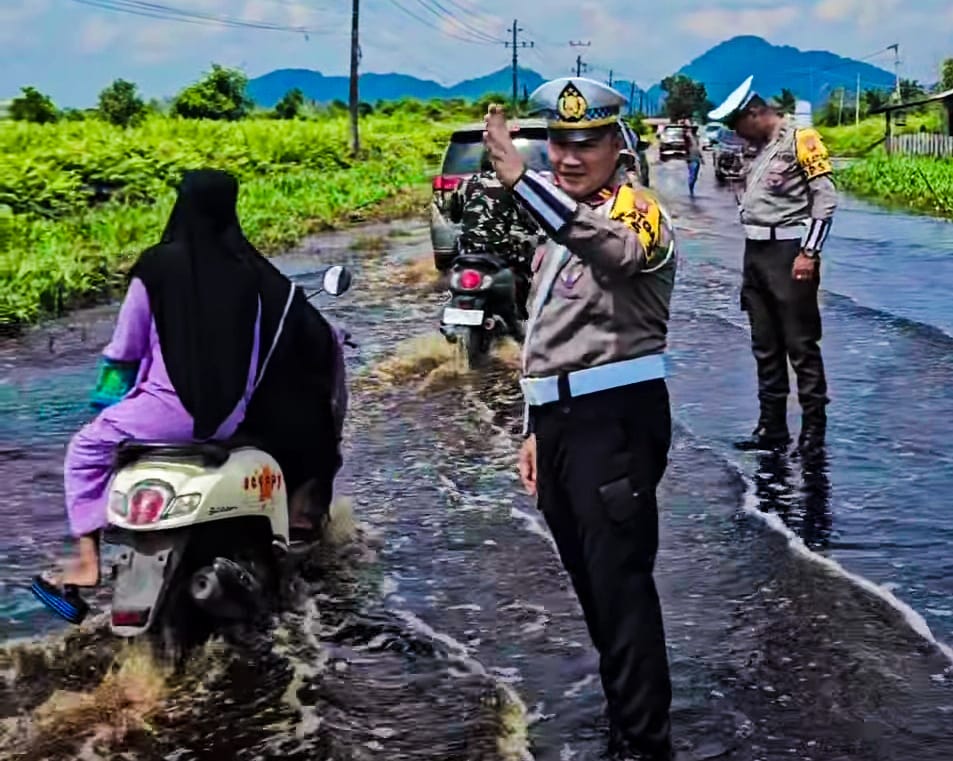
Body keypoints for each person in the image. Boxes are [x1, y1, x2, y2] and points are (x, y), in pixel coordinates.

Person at [484, 78, 678, 761]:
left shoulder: (637, 215)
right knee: (593, 585)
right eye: (558, 142)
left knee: (621, 587)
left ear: (617, 143)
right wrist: (533, 424)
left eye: (586, 142)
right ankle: (625, 720)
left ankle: (645, 744)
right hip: (562, 420)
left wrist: (521, 182)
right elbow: (547, 337)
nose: (568, 156)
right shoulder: (563, 226)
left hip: (614, 420)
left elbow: (617, 254)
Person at [30, 169, 308, 624]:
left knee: (85, 448)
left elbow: (124, 351)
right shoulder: (246, 274)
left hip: (164, 413)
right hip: (225, 419)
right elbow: (253, 355)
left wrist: (106, 406)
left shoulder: (156, 266)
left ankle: (86, 562)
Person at [708, 76, 837, 454]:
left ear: (754, 113)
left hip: (790, 252)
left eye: (737, 125)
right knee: (764, 345)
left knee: (800, 344)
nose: (737, 134)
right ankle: (771, 428)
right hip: (757, 254)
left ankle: (813, 432)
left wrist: (809, 253)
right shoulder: (759, 148)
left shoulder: (801, 140)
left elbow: (824, 199)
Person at [447, 151, 544, 325]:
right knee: (528, 268)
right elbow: (529, 219)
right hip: (500, 251)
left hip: (468, 250)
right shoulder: (514, 185)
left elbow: (454, 215)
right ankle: (522, 316)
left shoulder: (465, 184)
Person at [685, 124, 703, 196]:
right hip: (691, 158)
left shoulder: (696, 138)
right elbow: (686, 148)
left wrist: (701, 157)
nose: (696, 130)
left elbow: (697, 148)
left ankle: (691, 187)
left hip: (696, 158)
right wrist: (687, 158)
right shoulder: (688, 137)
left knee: (695, 176)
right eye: (694, 129)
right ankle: (690, 189)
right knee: (692, 175)